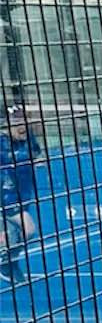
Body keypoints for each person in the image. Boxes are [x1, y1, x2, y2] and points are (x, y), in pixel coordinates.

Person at [1, 89, 42, 284]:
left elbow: (36, 154)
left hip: (23, 195)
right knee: (29, 229)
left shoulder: (28, 140)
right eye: (17, 123)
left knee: (15, 235)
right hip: (6, 197)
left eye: (24, 122)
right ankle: (5, 262)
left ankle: (10, 263)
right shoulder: (2, 144)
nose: (22, 127)